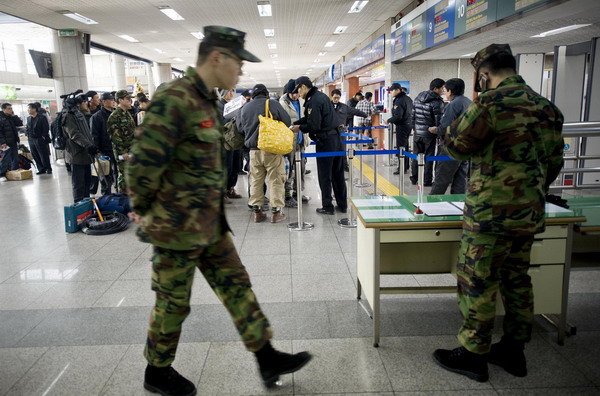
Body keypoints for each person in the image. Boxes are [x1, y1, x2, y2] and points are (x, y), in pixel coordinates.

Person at [126, 26, 311, 396]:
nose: (241, 70)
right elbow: (143, 162)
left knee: (238, 287)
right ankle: (157, 372)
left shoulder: (207, 99)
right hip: (176, 226)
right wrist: (144, 210)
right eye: (239, 62)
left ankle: (266, 355)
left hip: (209, 223)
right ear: (217, 58)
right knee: (173, 304)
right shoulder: (175, 98)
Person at [432, 44, 565, 382]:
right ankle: (513, 350)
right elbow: (554, 164)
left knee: (477, 281)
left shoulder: (489, 104)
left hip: (489, 216)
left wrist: (448, 130)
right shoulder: (546, 107)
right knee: (517, 280)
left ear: (483, 75)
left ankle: (474, 354)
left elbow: (457, 147)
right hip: (528, 213)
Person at [291, 76, 347, 215]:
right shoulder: (320, 96)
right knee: (337, 173)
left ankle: (327, 206)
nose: (298, 93)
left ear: (303, 86)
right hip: (336, 139)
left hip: (326, 142)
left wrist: (299, 128)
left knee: (325, 175)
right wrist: (296, 123)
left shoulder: (313, 101)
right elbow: (311, 119)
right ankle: (342, 204)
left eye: (298, 90)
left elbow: (313, 125)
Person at [237, 83, 291, 223]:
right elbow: (287, 120)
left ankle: (257, 212)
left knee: (255, 181)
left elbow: (239, 128)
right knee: (275, 180)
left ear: (253, 95)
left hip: (253, 152)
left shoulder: (244, 108)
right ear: (266, 94)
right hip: (271, 149)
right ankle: (276, 213)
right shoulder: (272, 104)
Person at [428, 78, 472, 195]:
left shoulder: (452, 105)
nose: (444, 93)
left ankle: (432, 205)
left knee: (441, 178)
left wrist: (434, 130)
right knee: (460, 179)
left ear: (451, 91)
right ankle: (458, 206)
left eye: (445, 90)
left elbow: (444, 128)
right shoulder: (469, 102)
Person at [63, 93, 97, 202]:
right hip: (76, 155)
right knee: (79, 184)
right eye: (83, 102)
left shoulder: (79, 114)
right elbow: (74, 134)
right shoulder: (68, 116)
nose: (86, 103)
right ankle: (79, 207)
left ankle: (86, 206)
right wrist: (89, 145)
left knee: (87, 182)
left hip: (85, 154)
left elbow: (86, 133)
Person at [411, 78, 445, 186]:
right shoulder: (437, 102)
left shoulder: (417, 98)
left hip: (417, 133)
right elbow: (438, 121)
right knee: (428, 158)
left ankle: (414, 178)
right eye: (442, 88)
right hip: (429, 134)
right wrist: (439, 134)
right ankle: (426, 180)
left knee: (416, 156)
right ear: (435, 89)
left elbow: (412, 117)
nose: (443, 91)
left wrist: (415, 129)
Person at [330, 89, 367, 172]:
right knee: (331, 149)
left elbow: (354, 111)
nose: (336, 100)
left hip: (341, 131)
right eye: (335, 97)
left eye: (338, 98)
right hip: (330, 131)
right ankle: (332, 167)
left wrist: (364, 115)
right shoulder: (327, 106)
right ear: (331, 96)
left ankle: (344, 165)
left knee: (342, 148)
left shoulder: (343, 106)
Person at [107, 89, 136, 193]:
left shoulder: (127, 114)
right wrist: (123, 152)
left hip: (131, 150)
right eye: (127, 99)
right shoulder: (115, 116)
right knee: (124, 176)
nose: (130, 101)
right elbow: (115, 137)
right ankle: (122, 198)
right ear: (120, 100)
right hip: (123, 152)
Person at [89, 92, 116, 195]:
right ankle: (106, 199)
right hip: (103, 152)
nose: (113, 101)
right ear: (104, 102)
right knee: (105, 178)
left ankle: (119, 200)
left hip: (116, 150)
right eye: (110, 99)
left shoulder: (116, 114)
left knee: (118, 176)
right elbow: (94, 135)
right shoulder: (97, 117)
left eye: (113, 99)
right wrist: (97, 151)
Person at [386, 83, 413, 175]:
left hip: (402, 126)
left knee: (401, 146)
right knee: (405, 146)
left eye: (392, 90)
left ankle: (402, 167)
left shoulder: (399, 100)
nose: (391, 92)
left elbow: (398, 116)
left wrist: (388, 120)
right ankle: (406, 166)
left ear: (398, 90)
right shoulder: (408, 98)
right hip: (408, 125)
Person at [26, 102, 52, 175]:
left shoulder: (42, 117)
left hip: (40, 138)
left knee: (43, 154)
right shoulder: (28, 118)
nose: (28, 110)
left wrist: (43, 136)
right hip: (31, 139)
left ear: (34, 109)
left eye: (29, 108)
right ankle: (41, 168)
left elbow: (45, 127)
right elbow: (27, 128)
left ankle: (48, 168)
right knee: (35, 154)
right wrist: (28, 136)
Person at [0, 103, 23, 181]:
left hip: (13, 140)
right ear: (3, 109)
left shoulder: (11, 117)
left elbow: (20, 123)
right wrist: (2, 142)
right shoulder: (0, 118)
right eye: (9, 108)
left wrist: (14, 116)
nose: (11, 110)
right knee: (5, 158)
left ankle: (14, 171)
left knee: (15, 157)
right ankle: (1, 174)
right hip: (5, 142)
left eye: (11, 108)